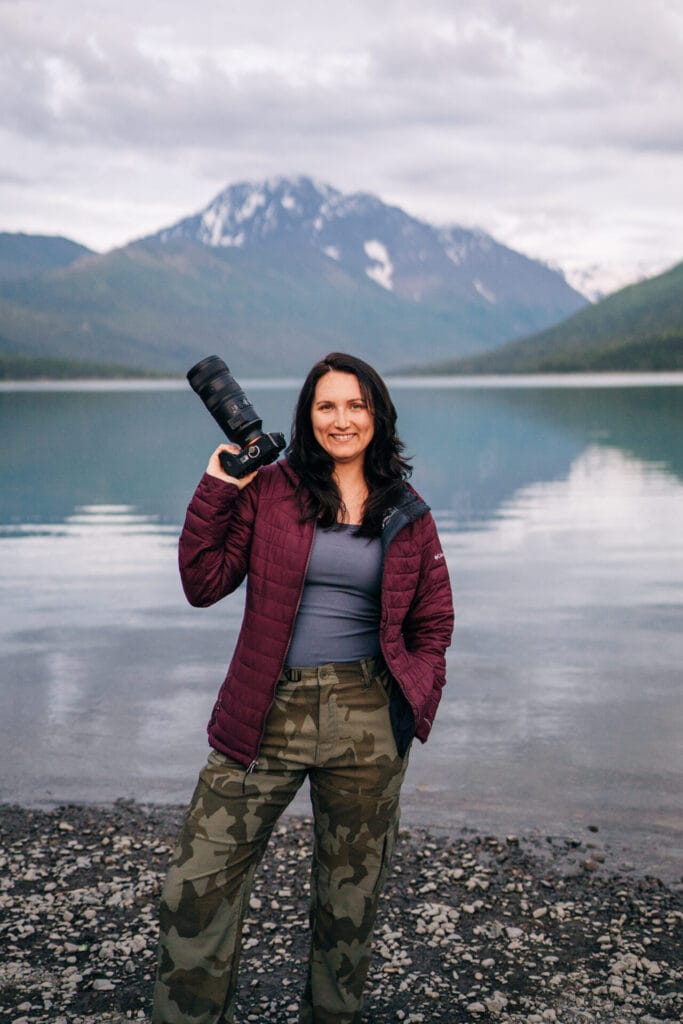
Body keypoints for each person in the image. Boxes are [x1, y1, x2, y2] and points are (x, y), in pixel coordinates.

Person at [152, 352, 454, 1024]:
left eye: (355, 405)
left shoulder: (406, 511)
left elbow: (433, 621)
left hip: (367, 717)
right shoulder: (271, 488)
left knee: (349, 904)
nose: (340, 420)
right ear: (307, 416)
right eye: (326, 406)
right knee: (194, 888)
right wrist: (218, 485)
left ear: (376, 416)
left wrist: (413, 699)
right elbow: (202, 583)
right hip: (265, 707)